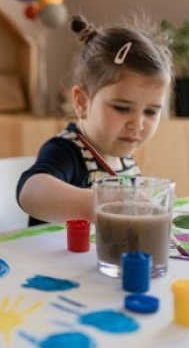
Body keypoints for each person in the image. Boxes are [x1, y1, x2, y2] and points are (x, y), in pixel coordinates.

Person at [17, 14, 173, 225]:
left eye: (151, 112)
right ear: (82, 103)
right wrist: (103, 201)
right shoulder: (68, 150)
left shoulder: (124, 159)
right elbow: (29, 192)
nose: (137, 124)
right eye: (122, 108)